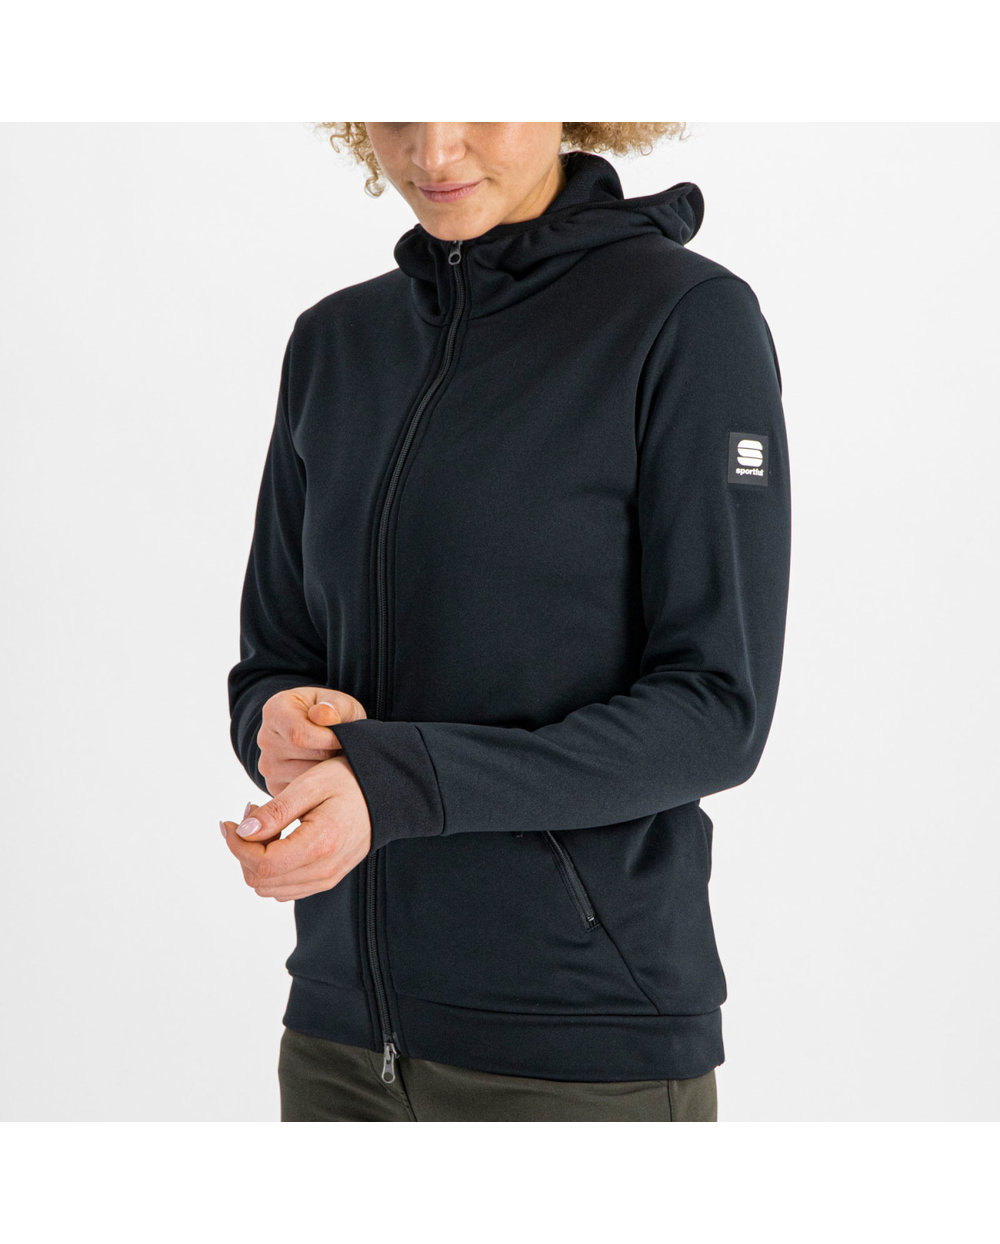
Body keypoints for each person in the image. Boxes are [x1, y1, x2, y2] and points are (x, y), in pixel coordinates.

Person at [222, 122, 791, 1122]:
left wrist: (399, 785)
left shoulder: (684, 320)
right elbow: (275, 652)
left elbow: (715, 710)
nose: (434, 151)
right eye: (400, 108)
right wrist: (279, 719)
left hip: (577, 1053)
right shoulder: (335, 342)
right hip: (339, 1045)